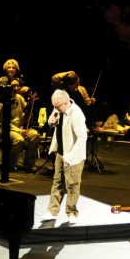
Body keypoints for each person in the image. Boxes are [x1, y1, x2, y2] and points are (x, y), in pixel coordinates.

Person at [46, 89, 88, 224]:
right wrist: (51, 120)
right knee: (57, 181)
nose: (55, 109)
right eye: (54, 106)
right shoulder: (59, 109)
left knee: (72, 184)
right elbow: (52, 122)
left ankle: (72, 212)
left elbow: (82, 137)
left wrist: (71, 156)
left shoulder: (77, 114)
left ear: (65, 103)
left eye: (57, 106)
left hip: (74, 156)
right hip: (61, 152)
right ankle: (52, 211)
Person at [0, 79, 41, 172]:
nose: (16, 88)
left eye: (18, 86)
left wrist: (31, 104)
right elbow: (2, 121)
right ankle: (10, 164)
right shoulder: (3, 101)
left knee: (35, 135)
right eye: (13, 86)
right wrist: (18, 130)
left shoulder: (20, 98)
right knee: (19, 139)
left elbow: (26, 114)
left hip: (20, 128)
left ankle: (29, 164)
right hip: (7, 128)